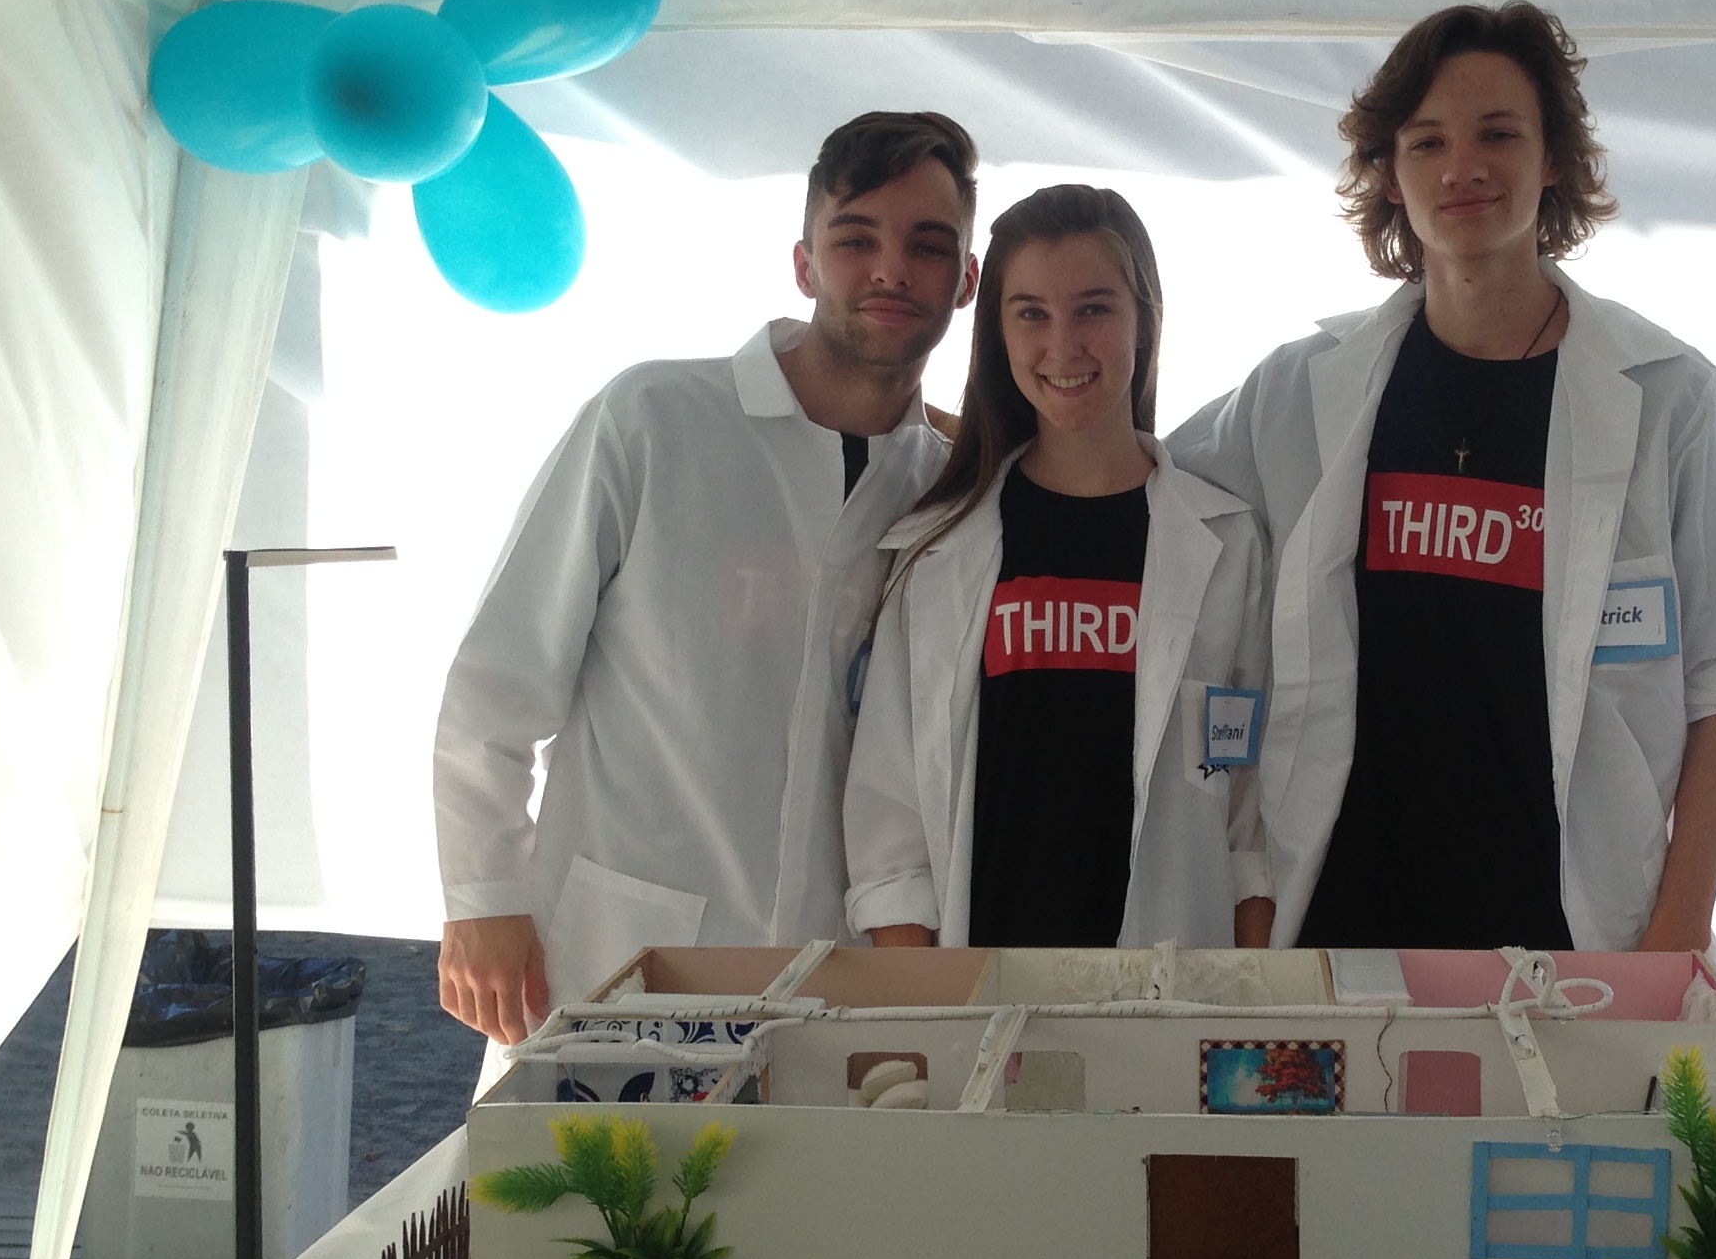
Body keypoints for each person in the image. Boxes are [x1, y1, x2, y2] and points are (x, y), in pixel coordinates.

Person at [1167, 2, 1716, 955]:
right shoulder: (1300, 391)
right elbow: (1134, 486)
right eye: (1427, 142)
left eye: (1498, 134)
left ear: (1553, 161)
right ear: (1391, 175)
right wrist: (965, 443)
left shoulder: (1674, 400)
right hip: (1345, 928)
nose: (1463, 168)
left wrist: (1677, 932)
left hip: (1573, 938)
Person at [434, 111, 981, 1043]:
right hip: (621, 953)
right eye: (856, 240)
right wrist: (482, 896)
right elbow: (499, 679)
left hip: (838, 979)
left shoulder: (952, 491)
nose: (891, 270)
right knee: (596, 1148)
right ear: (804, 264)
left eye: (929, 246)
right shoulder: (653, 419)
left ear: (966, 280)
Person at [844, 184, 1272, 950]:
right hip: (978, 987)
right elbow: (891, 831)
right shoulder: (935, 546)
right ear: (998, 335)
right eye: (1032, 313)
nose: (1064, 346)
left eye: (1094, 309)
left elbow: (1249, 818)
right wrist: (926, 1003)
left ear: (1145, 319)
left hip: (1176, 980)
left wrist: (1250, 996)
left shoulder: (1227, 544)